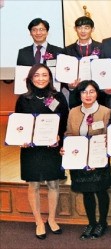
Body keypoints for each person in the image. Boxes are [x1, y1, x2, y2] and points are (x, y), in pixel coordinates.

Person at [15, 64, 68, 240]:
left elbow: (64, 121)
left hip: (51, 148)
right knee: (34, 185)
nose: (40, 78)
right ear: (30, 78)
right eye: (36, 75)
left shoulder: (57, 96)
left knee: (54, 183)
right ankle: (38, 221)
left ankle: (52, 219)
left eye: (44, 75)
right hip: (31, 149)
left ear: (50, 77)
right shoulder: (23, 99)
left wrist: (61, 138)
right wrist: (20, 139)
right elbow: (19, 125)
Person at [62, 80, 111, 240]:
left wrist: (95, 160)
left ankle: (102, 223)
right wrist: (65, 148)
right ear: (79, 94)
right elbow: (69, 134)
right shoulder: (73, 112)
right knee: (87, 193)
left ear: (97, 93)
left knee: (100, 191)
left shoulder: (105, 112)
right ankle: (91, 223)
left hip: (98, 161)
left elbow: (108, 139)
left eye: (91, 91)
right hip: (79, 161)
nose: (88, 95)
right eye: (84, 92)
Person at [61, 16, 103, 108]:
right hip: (76, 95)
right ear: (75, 29)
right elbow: (63, 73)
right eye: (79, 27)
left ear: (92, 29)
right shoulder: (67, 50)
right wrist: (70, 86)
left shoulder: (101, 47)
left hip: (99, 94)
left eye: (86, 28)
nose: (83, 31)